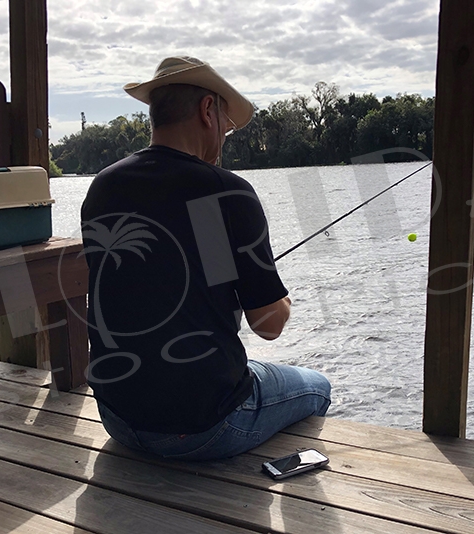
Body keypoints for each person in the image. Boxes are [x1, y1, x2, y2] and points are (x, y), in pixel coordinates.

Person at [80, 56, 330, 461]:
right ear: (207, 110)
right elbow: (268, 325)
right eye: (227, 126)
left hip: (118, 418)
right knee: (317, 386)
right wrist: (280, 299)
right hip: (205, 429)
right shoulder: (225, 192)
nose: (225, 137)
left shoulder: (104, 186)